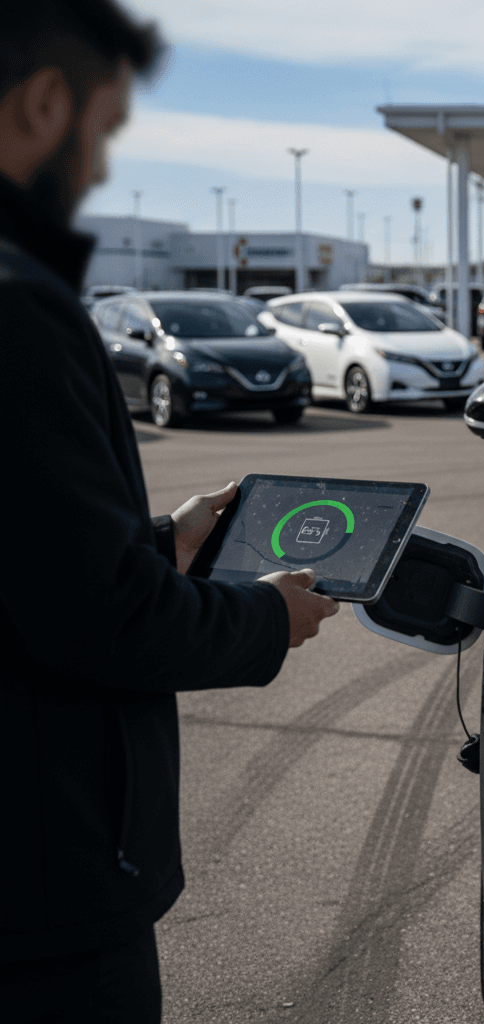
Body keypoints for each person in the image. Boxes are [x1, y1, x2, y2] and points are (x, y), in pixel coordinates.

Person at [0, 3, 339, 1020]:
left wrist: (162, 542)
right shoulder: (17, 306)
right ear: (46, 102)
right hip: (40, 891)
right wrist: (266, 617)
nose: (100, 166)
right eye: (103, 128)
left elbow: (31, 561)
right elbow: (101, 618)